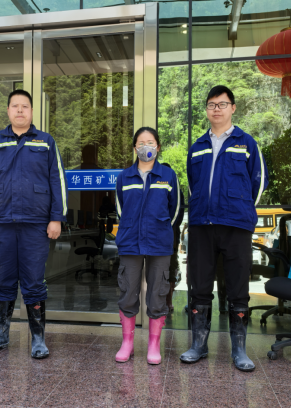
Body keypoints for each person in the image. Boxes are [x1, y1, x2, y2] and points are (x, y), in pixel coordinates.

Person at [180, 85, 268, 372]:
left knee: (237, 287)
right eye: (211, 104)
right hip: (202, 225)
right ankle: (198, 344)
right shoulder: (197, 146)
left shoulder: (247, 143)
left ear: (232, 108)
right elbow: (193, 184)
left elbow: (258, 183)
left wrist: (241, 210)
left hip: (236, 226)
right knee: (200, 285)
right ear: (207, 110)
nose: (216, 109)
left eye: (221, 104)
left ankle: (239, 350)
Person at [0, 89, 67, 359]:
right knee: (2, 279)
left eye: (24, 106)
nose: (19, 110)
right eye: (14, 106)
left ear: (31, 111)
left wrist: (56, 218)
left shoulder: (46, 141)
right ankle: (0, 335)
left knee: (34, 281)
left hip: (36, 223)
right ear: (7, 111)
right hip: (2, 222)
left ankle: (38, 338)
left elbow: (58, 181)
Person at [115, 127, 180, 365]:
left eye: (150, 142)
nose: (146, 147)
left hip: (159, 243)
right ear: (135, 148)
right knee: (128, 291)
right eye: (141, 143)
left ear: (158, 147)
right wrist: (130, 229)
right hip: (130, 242)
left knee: (158, 293)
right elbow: (120, 210)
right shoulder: (124, 177)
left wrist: (161, 229)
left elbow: (175, 211)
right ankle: (127, 343)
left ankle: (154, 345)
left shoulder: (168, 176)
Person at [161, 162, 185, 312]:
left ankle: (168, 300)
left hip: (171, 237)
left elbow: (179, 215)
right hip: (156, 238)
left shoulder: (177, 191)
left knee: (170, 269)